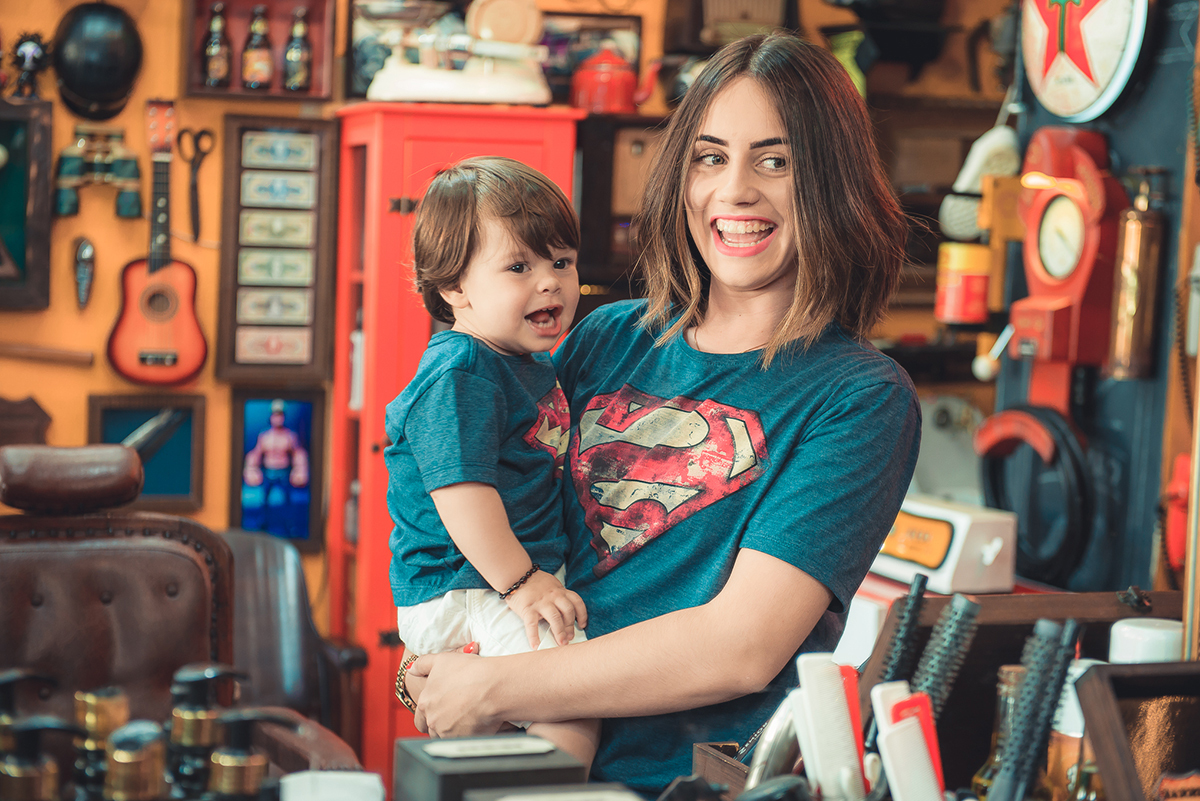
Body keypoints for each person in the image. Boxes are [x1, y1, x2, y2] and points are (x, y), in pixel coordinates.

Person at [404, 31, 922, 795]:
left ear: (831, 182)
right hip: (520, 765)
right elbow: (486, 489)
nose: (736, 189)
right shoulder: (608, 336)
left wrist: (492, 687)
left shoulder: (859, 397)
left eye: (774, 161)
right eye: (711, 157)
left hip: (684, 781)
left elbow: (738, 646)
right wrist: (437, 659)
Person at [383, 156, 600, 769]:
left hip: (493, 584)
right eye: (518, 267)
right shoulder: (462, 373)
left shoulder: (519, 363)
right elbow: (462, 495)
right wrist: (522, 581)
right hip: (474, 585)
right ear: (454, 288)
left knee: (497, 746)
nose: (551, 282)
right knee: (570, 702)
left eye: (561, 261)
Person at [242, 398, 309, 536]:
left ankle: (290, 525)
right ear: (271, 417)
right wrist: (251, 469)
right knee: (264, 500)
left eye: (280, 415)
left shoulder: (290, 436)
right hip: (269, 473)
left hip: (283, 473)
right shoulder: (264, 436)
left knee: (287, 501)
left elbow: (298, 454)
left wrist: (300, 470)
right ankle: (262, 523)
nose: (278, 418)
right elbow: (255, 454)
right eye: (275, 415)